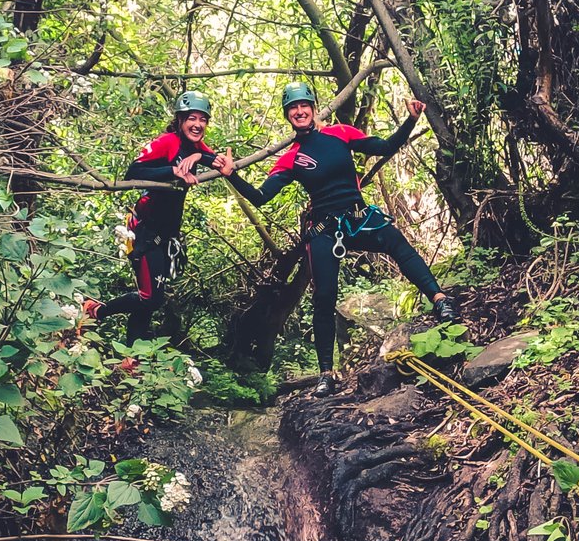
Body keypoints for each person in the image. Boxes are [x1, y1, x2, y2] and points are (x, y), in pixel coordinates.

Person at [231, 82, 457, 397]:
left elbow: (384, 146)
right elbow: (260, 197)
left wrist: (410, 120)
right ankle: (326, 373)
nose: (299, 111)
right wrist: (231, 173)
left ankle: (440, 300)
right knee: (324, 297)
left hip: (357, 218)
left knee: (398, 245)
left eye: (303, 106)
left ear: (313, 107)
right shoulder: (292, 158)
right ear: (288, 115)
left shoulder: (340, 134)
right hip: (325, 229)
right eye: (292, 108)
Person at [83, 90, 239, 344]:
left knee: (150, 299)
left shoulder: (194, 146)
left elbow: (212, 159)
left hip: (166, 235)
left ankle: (130, 358)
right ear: (180, 120)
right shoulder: (167, 142)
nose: (197, 124)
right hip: (145, 231)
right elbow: (133, 171)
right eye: (191, 118)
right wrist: (173, 171)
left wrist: (199, 156)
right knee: (150, 297)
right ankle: (95, 310)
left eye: (203, 119)